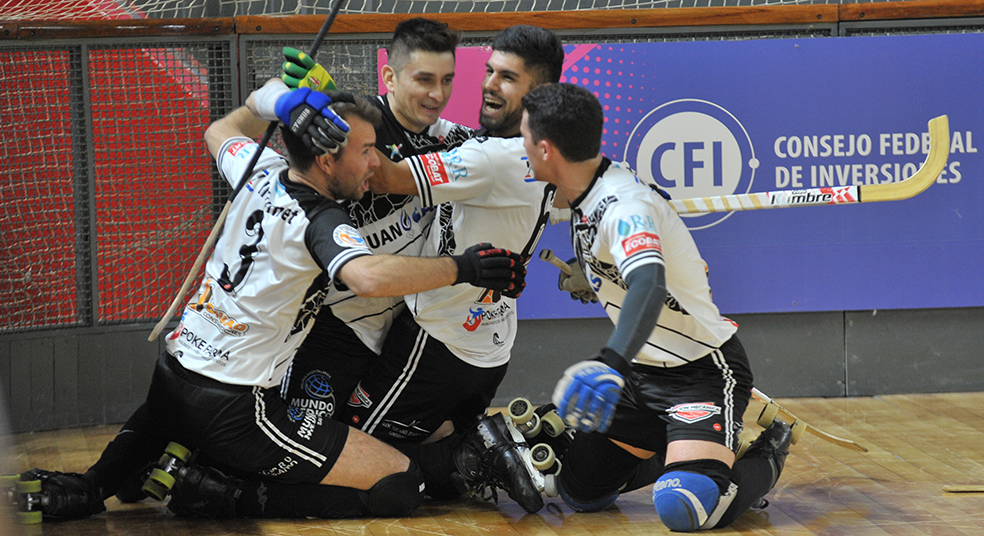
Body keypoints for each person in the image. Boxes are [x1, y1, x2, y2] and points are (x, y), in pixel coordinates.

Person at [17, 81, 525, 521]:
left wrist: (280, 101)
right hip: (236, 408)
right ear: (326, 159)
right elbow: (368, 276)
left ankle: (104, 482)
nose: (377, 163)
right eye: (367, 151)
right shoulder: (320, 220)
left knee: (108, 485)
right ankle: (219, 494)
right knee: (402, 484)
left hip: (173, 377)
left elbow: (220, 130)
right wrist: (466, 267)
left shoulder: (260, 167)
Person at [520, 82, 791, 531]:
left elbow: (648, 282)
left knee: (684, 506)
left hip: (701, 371)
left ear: (546, 150)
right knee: (581, 492)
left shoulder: (624, 206)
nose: (521, 148)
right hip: (640, 375)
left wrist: (610, 362)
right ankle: (686, 448)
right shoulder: (584, 183)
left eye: (524, 139)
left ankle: (766, 451)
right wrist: (591, 274)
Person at [340, 24, 566, 513]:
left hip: (435, 341)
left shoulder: (489, 159)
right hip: (490, 347)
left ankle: (477, 451)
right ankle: (502, 450)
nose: (489, 85)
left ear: (540, 93)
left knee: (352, 454)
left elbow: (385, 176)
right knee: (442, 479)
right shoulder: (543, 151)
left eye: (508, 78)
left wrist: (329, 113)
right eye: (489, 71)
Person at [278, 17, 476, 436]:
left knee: (428, 440)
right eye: (424, 79)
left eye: (447, 80)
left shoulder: (458, 142)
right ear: (389, 76)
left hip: (404, 331)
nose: (437, 94)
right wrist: (316, 104)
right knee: (306, 438)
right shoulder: (349, 127)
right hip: (336, 323)